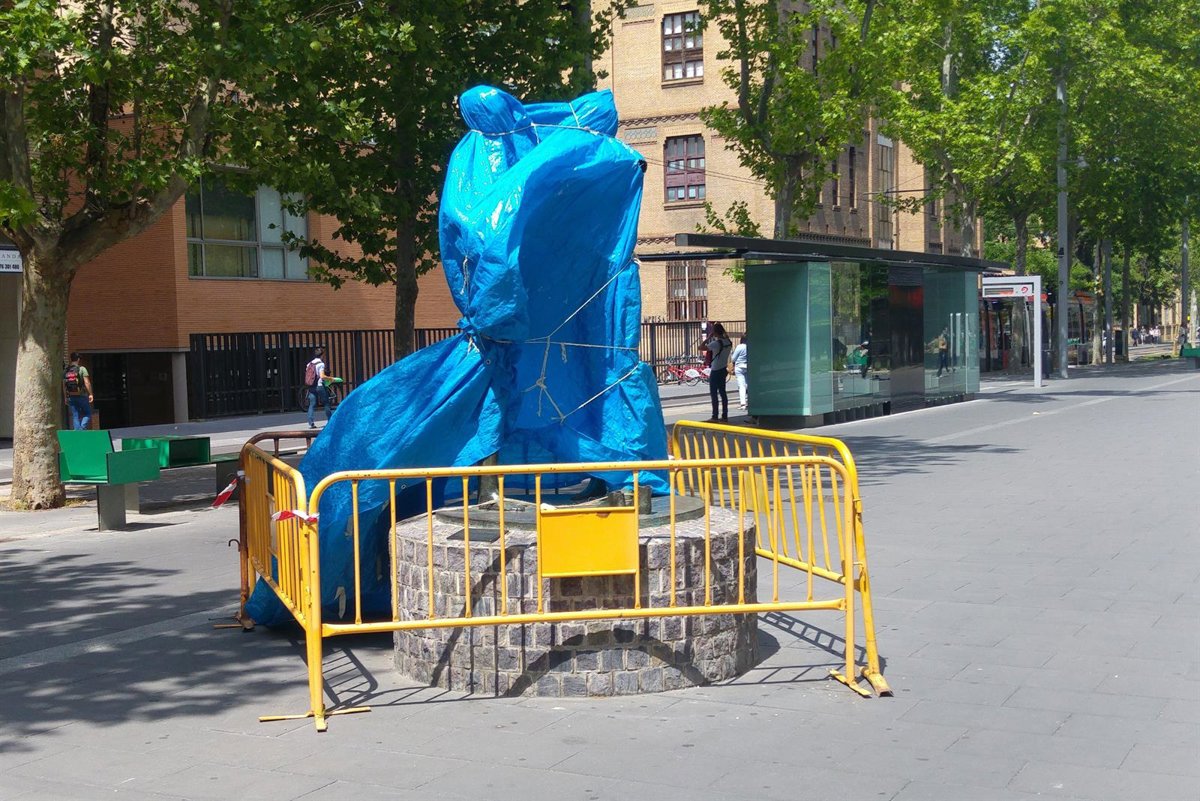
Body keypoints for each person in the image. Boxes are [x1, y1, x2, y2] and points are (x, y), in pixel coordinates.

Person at [702, 322, 732, 423]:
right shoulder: (728, 342)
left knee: (714, 393)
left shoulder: (716, 343)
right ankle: (725, 416)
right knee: (723, 393)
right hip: (723, 369)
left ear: (714, 332)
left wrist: (708, 338)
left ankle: (715, 416)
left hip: (715, 370)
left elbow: (701, 347)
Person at [305, 347, 341, 429]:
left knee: (312, 404)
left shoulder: (309, 364)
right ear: (322, 355)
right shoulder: (321, 364)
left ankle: (311, 423)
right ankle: (330, 421)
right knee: (326, 403)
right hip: (319, 386)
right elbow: (322, 376)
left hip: (311, 386)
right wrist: (331, 378)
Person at [63, 352, 94, 430]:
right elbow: (87, 382)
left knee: (75, 415)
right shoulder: (82, 369)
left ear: (70, 359)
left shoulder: (66, 370)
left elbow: (64, 385)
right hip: (82, 395)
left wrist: (65, 397)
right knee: (87, 413)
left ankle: (77, 432)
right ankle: (82, 428)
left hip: (71, 395)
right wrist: (90, 394)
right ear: (78, 359)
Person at [731, 335, 749, 409]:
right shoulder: (750, 346)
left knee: (741, 386)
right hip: (748, 366)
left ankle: (743, 404)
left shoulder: (740, 347)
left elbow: (733, 359)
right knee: (748, 384)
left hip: (739, 367)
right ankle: (749, 402)